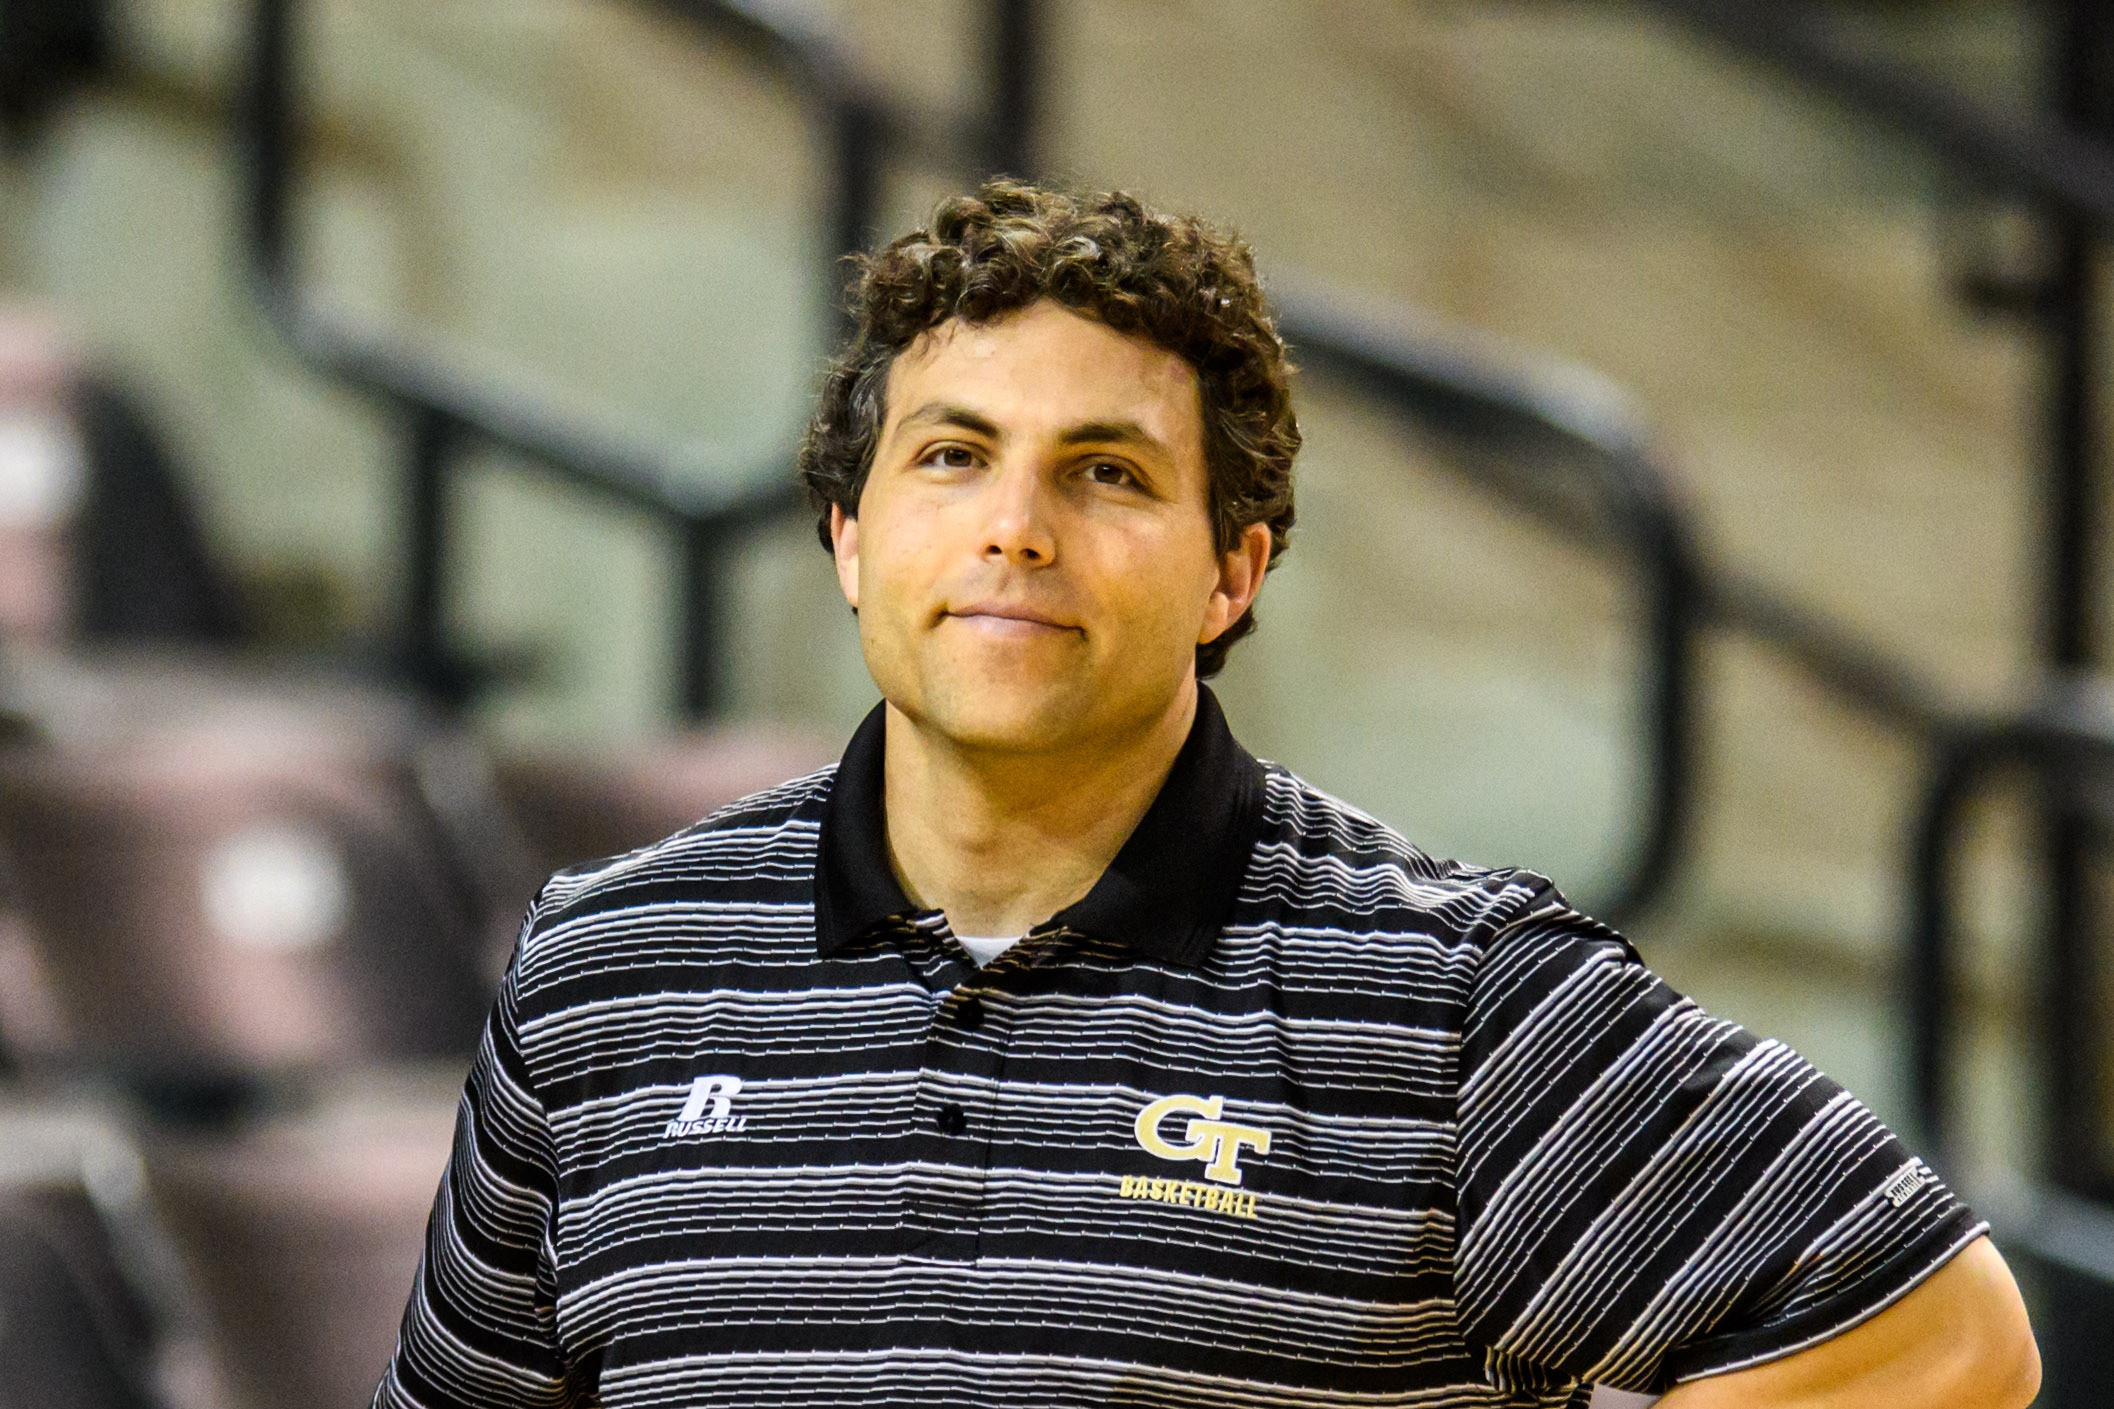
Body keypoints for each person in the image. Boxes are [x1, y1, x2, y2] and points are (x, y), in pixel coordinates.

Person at [372, 181, 2039, 1409]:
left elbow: (1938, 1335)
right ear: (850, 537)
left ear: (1230, 571)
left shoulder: (1448, 994)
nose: (1015, 526)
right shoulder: (607, 968)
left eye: (1105, 472)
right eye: (951, 455)